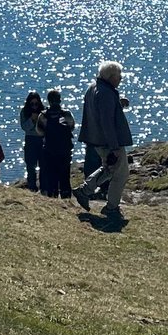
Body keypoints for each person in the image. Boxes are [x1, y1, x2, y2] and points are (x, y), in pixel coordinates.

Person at [74, 61, 133, 218]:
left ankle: (84, 191)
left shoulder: (93, 88)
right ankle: (111, 207)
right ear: (110, 77)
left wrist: (117, 103)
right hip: (108, 141)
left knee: (110, 168)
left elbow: (99, 111)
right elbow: (106, 121)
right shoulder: (106, 93)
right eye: (118, 76)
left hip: (96, 139)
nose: (120, 79)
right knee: (120, 174)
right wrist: (114, 146)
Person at [41, 91, 75, 199]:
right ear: (60, 100)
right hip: (65, 150)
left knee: (52, 176)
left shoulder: (44, 115)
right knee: (65, 176)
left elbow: (39, 131)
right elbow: (72, 126)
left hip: (50, 150)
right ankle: (66, 198)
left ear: (49, 101)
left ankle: (53, 197)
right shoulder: (66, 114)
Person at [18, 92, 45, 190]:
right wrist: (32, 120)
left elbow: (46, 127)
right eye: (32, 104)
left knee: (44, 166)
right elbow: (24, 127)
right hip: (30, 140)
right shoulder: (24, 112)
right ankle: (32, 187)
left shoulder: (44, 112)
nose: (34, 106)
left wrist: (39, 119)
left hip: (42, 140)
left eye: (36, 104)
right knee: (30, 166)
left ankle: (44, 187)